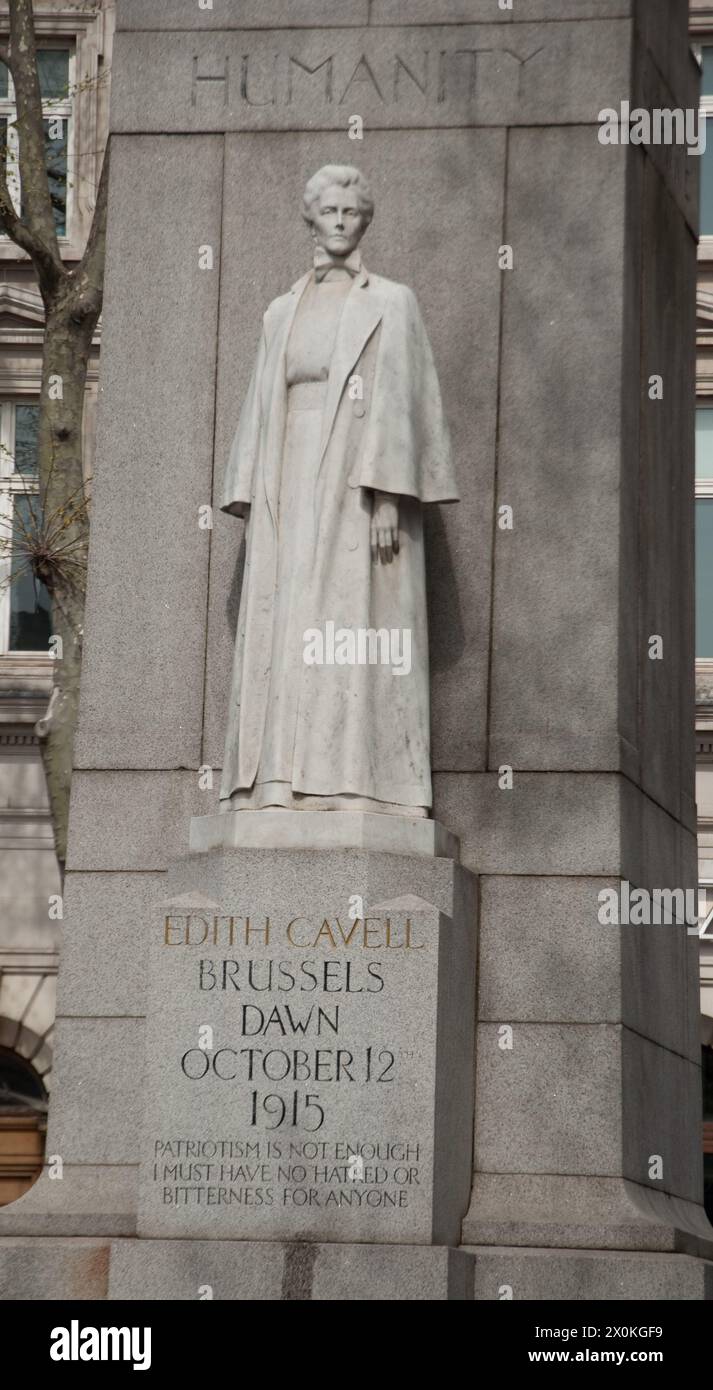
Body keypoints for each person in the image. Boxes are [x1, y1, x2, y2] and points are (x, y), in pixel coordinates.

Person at [220, 163, 458, 817]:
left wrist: (386, 493)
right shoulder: (281, 309)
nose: (340, 222)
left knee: (350, 626)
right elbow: (259, 406)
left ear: (365, 221)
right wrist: (249, 489)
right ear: (310, 216)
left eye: (351, 212)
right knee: (285, 622)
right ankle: (274, 779)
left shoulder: (390, 301)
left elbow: (403, 401)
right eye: (329, 210)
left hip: (356, 485)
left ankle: (358, 781)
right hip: (288, 477)